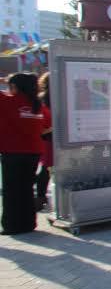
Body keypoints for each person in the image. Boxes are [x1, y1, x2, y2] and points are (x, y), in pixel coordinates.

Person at [0, 73, 46, 235]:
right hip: (34, 152)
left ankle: (12, 226)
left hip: (13, 152)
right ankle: (28, 223)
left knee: (11, 191)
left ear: (15, 87)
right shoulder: (38, 105)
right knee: (26, 189)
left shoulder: (8, 101)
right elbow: (48, 124)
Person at [36, 73, 53, 211]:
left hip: (46, 138)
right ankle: (42, 198)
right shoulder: (63, 95)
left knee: (45, 168)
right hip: (53, 136)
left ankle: (41, 198)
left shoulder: (40, 99)